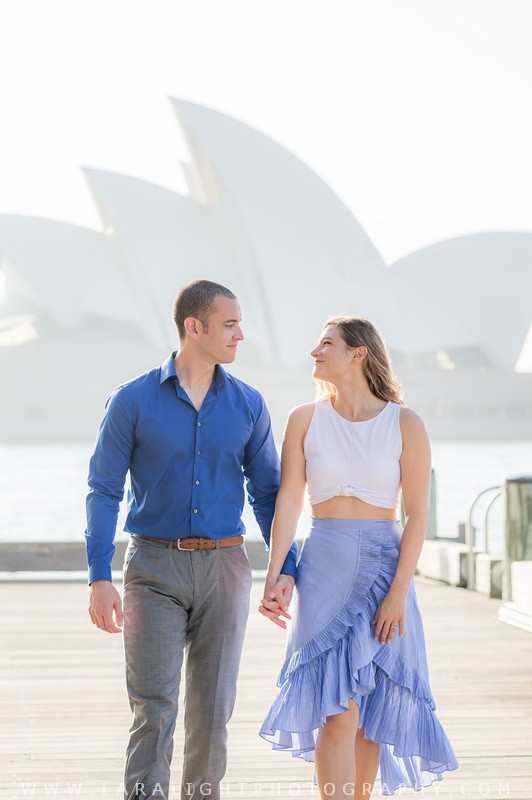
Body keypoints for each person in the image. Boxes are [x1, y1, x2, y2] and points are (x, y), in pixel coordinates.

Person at [85, 279, 297, 800]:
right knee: (153, 707)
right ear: (193, 327)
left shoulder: (248, 404)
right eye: (230, 324)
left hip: (226, 568)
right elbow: (104, 489)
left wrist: (284, 567)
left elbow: (270, 494)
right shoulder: (131, 400)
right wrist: (98, 577)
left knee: (212, 710)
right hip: (152, 568)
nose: (241, 335)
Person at [259, 316, 458, 798]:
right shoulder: (303, 419)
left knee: (371, 715)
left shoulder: (405, 423)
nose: (314, 351)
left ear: (358, 354)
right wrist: (275, 576)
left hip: (386, 568)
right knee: (336, 712)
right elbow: (288, 501)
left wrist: (397, 594)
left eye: (325, 343)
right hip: (323, 564)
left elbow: (416, 516)